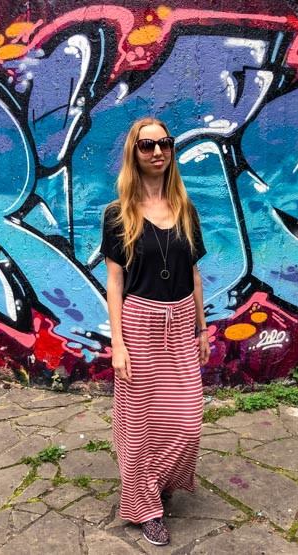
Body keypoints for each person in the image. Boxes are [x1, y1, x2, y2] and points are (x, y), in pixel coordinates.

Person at [100, 117, 210, 546]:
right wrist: (118, 344)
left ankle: (160, 480)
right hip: (139, 322)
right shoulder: (118, 215)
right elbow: (114, 283)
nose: (158, 152)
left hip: (182, 321)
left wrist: (202, 328)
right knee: (139, 423)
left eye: (164, 143)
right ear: (134, 152)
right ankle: (145, 506)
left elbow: (195, 276)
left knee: (187, 419)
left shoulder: (186, 210)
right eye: (147, 146)